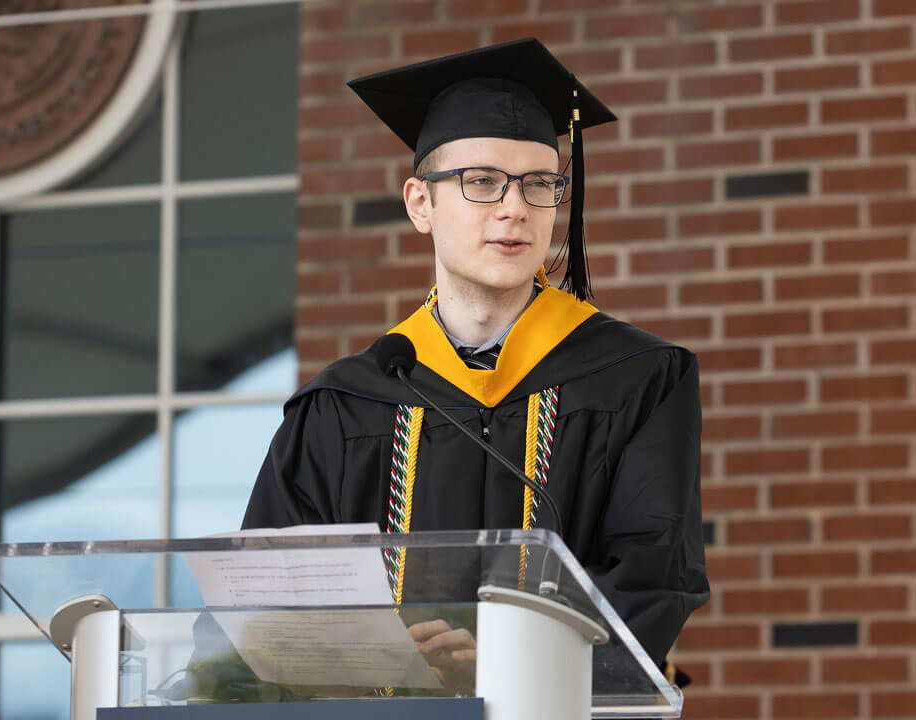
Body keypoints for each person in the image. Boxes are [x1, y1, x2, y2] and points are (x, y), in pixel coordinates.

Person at [241, 38, 708, 685]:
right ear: (420, 204)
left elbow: (654, 577)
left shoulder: (637, 379)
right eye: (482, 182)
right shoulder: (346, 404)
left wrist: (510, 663)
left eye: (540, 184)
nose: (515, 207)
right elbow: (267, 600)